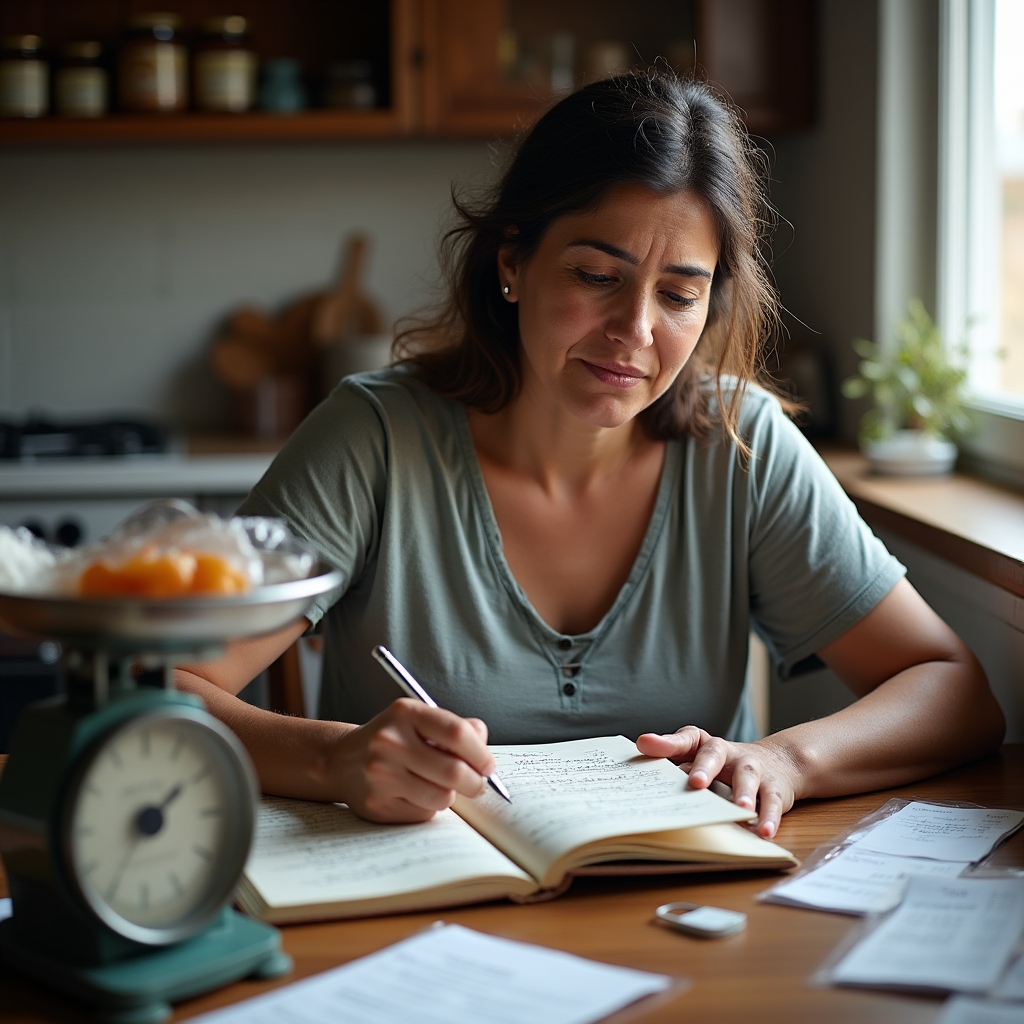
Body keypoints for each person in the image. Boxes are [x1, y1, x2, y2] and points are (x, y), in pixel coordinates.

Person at [177, 72, 1005, 840]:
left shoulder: (741, 448)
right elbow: (160, 687)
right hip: (425, 922)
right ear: (512, 265)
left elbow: (953, 690)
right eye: (595, 275)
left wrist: (787, 759)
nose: (636, 332)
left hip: (693, 925)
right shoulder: (372, 438)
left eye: (678, 294)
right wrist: (331, 760)